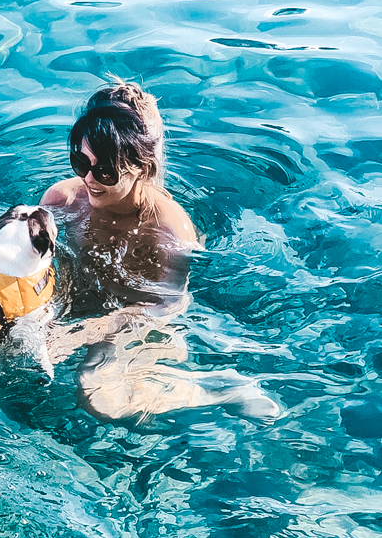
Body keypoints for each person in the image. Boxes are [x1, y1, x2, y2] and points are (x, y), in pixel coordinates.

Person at [40, 79, 279, 422]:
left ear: (142, 166)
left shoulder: (169, 229)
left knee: (100, 397)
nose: (89, 179)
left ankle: (217, 388)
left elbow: (166, 306)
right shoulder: (62, 200)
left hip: (134, 322)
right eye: (80, 162)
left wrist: (89, 332)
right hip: (78, 307)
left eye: (105, 170)